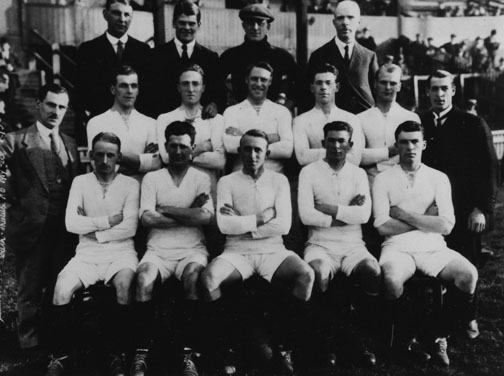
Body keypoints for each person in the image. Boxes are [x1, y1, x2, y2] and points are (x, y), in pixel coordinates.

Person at [201, 129, 314, 374]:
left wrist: (242, 223)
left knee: (305, 275)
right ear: (240, 151)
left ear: (267, 153)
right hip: (236, 250)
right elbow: (224, 225)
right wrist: (262, 218)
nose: (252, 155)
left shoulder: (279, 181)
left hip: (273, 249)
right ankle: (225, 348)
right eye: (247, 149)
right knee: (209, 278)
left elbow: (282, 226)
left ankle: (286, 346)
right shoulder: (227, 181)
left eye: (258, 150)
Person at [373, 120, 479, 367]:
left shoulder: (438, 178)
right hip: (397, 247)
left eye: (414, 142)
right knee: (390, 280)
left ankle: (439, 336)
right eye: (403, 142)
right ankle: (406, 339)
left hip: (433, 246)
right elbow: (381, 226)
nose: (409, 147)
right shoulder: (383, 179)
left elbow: (446, 225)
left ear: (424, 144)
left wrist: (404, 215)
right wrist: (426, 217)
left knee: (468, 275)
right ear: (396, 145)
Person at [47, 132, 140, 376]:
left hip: (121, 253)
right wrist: (109, 220)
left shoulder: (131, 184)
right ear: (91, 155)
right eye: (99, 155)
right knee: (61, 289)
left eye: (111, 155)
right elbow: (71, 223)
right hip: (86, 254)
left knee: (124, 286)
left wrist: (93, 229)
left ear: (119, 156)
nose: (105, 161)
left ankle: (118, 355)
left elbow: (129, 227)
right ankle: (61, 356)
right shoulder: (80, 182)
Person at [0, 83, 79, 359]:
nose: (56, 111)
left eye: (61, 106)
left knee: (58, 285)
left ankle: (54, 343)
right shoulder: (15, 140)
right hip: (31, 228)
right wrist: (13, 211)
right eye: (50, 104)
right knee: (30, 288)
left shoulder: (69, 143)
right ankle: (29, 347)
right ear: (38, 104)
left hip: (64, 230)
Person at [132, 121, 214, 376]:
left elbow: (205, 218)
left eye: (183, 146)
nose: (177, 151)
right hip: (157, 249)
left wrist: (165, 208)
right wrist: (188, 211)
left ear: (192, 148)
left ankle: (188, 353)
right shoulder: (152, 178)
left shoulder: (202, 178)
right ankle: (141, 353)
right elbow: (146, 219)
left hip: (192, 249)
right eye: (173, 146)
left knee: (191, 277)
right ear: (166, 147)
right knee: (144, 279)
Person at [298, 121, 380, 367]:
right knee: (319, 274)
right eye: (331, 140)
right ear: (323, 143)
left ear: (350, 145)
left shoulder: (358, 174)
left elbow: (364, 216)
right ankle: (327, 343)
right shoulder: (309, 172)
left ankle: (361, 342)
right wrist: (346, 213)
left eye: (341, 140)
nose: (336, 145)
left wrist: (329, 209)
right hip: (319, 244)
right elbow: (306, 216)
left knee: (372, 272)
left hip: (354, 244)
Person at [419, 70, 498, 271]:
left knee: (465, 269)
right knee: (432, 270)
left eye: (444, 88)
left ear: (453, 90)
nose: (439, 94)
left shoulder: (473, 124)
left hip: (464, 211)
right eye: (434, 89)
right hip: (430, 211)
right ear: (427, 92)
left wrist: (480, 209)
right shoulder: (420, 124)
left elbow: (488, 169)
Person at [156, 64, 225, 201]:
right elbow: (165, 157)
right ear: (178, 88)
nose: (191, 89)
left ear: (203, 88)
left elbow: (219, 161)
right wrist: (204, 147)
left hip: (207, 189)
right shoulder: (165, 118)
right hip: (176, 188)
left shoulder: (216, 119)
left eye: (195, 84)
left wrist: (181, 153)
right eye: (185, 84)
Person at [75, 0, 151, 126]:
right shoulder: (88, 49)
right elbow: (81, 90)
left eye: (127, 15)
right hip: (101, 121)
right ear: (105, 14)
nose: (122, 19)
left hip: (134, 122)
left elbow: (147, 90)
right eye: (116, 13)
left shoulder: (143, 50)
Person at [219, 3, 304, 108]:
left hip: (272, 116)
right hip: (240, 115)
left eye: (260, 23)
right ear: (244, 26)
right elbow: (215, 82)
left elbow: (302, 82)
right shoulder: (231, 56)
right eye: (250, 22)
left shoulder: (281, 56)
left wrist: (288, 104)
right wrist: (229, 98)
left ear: (268, 27)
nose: (255, 28)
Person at [147, 0, 222, 117]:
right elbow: (149, 93)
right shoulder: (156, 56)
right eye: (182, 23)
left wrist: (214, 104)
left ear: (199, 25)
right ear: (173, 23)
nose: (187, 28)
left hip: (199, 120)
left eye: (191, 23)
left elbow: (218, 91)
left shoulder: (210, 58)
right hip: (165, 120)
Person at [86, 65, 160, 182]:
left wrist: (116, 156)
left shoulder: (151, 123)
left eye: (133, 86)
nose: (129, 91)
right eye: (124, 86)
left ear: (138, 90)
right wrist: (142, 162)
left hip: (142, 191)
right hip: (111, 191)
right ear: (113, 89)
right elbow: (100, 166)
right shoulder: (96, 122)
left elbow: (155, 164)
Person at [307, 0, 378, 114]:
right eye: (340, 18)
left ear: (359, 21)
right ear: (334, 22)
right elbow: (308, 96)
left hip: (363, 120)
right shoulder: (319, 56)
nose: (345, 22)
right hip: (332, 123)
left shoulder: (369, 57)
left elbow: (377, 93)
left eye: (350, 17)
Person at [223, 61, 293, 174]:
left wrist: (243, 136)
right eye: (254, 79)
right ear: (247, 79)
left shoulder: (282, 112)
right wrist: (272, 138)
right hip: (240, 178)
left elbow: (287, 150)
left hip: (273, 178)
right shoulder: (232, 111)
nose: (259, 84)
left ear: (270, 82)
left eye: (263, 80)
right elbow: (230, 145)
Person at [358, 64, 420, 185]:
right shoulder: (360, 118)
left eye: (393, 83)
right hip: (371, 183)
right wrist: (389, 151)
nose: (387, 87)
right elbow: (358, 156)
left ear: (399, 86)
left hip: (402, 182)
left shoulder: (411, 117)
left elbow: (415, 158)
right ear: (375, 84)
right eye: (383, 82)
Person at [293, 63, 364, 167]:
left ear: (337, 87)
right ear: (312, 88)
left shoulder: (352, 119)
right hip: (315, 178)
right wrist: (341, 152)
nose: (323, 87)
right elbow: (302, 157)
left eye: (328, 83)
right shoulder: (300, 121)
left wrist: (315, 153)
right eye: (319, 83)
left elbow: (355, 159)